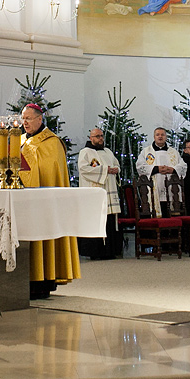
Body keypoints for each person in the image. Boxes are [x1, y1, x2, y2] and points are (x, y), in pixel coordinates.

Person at [19, 103, 81, 298]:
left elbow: (49, 171)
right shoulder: (19, 139)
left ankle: (44, 281)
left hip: (43, 202)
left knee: (43, 237)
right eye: (23, 119)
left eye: (28, 119)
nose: (25, 123)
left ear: (39, 119)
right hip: (21, 200)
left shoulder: (52, 142)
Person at [77, 127, 122, 260]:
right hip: (94, 194)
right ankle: (95, 252)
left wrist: (115, 170)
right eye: (97, 136)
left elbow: (116, 164)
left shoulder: (108, 151)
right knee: (96, 220)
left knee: (109, 222)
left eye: (102, 136)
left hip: (109, 191)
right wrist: (104, 170)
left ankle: (110, 250)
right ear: (90, 138)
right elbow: (83, 169)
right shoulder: (85, 152)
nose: (100, 138)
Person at [135, 127, 186, 216]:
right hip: (155, 188)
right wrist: (156, 169)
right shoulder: (146, 152)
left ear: (166, 137)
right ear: (154, 137)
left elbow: (183, 166)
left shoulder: (173, 152)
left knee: (170, 214)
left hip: (171, 190)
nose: (160, 137)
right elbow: (140, 166)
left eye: (162, 134)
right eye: (157, 135)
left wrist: (173, 169)